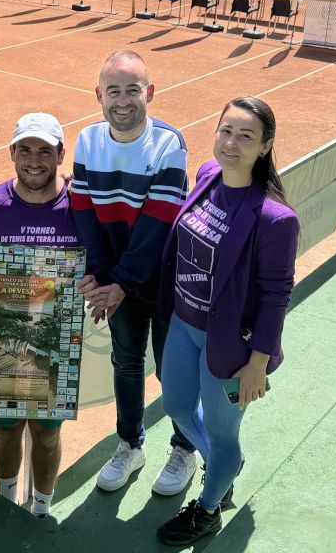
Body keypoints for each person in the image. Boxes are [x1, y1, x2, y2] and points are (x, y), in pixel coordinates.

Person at [153, 96, 299, 546]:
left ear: (265, 145)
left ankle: (208, 509)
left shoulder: (275, 219)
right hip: (181, 322)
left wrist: (257, 364)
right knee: (177, 407)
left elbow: (277, 296)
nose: (231, 143)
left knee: (222, 431)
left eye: (246, 136)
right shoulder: (207, 176)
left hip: (230, 346)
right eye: (226, 130)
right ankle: (224, 464)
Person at [0, 113, 97, 518]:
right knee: (7, 429)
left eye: (45, 151)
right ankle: (7, 497)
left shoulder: (81, 209)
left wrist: (94, 283)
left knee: (47, 436)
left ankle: (42, 508)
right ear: (12, 153)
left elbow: (98, 265)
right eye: (25, 150)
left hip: (55, 348)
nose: (35, 160)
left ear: (60, 155)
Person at [69, 49, 196, 496]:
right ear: (99, 94)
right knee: (125, 363)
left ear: (151, 92)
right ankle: (130, 444)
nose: (123, 101)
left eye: (133, 90)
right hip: (115, 284)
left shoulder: (169, 143)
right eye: (114, 91)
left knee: (173, 371)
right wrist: (101, 279)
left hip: (161, 283)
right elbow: (83, 212)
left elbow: (156, 225)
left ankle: (184, 447)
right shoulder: (87, 140)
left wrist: (116, 283)